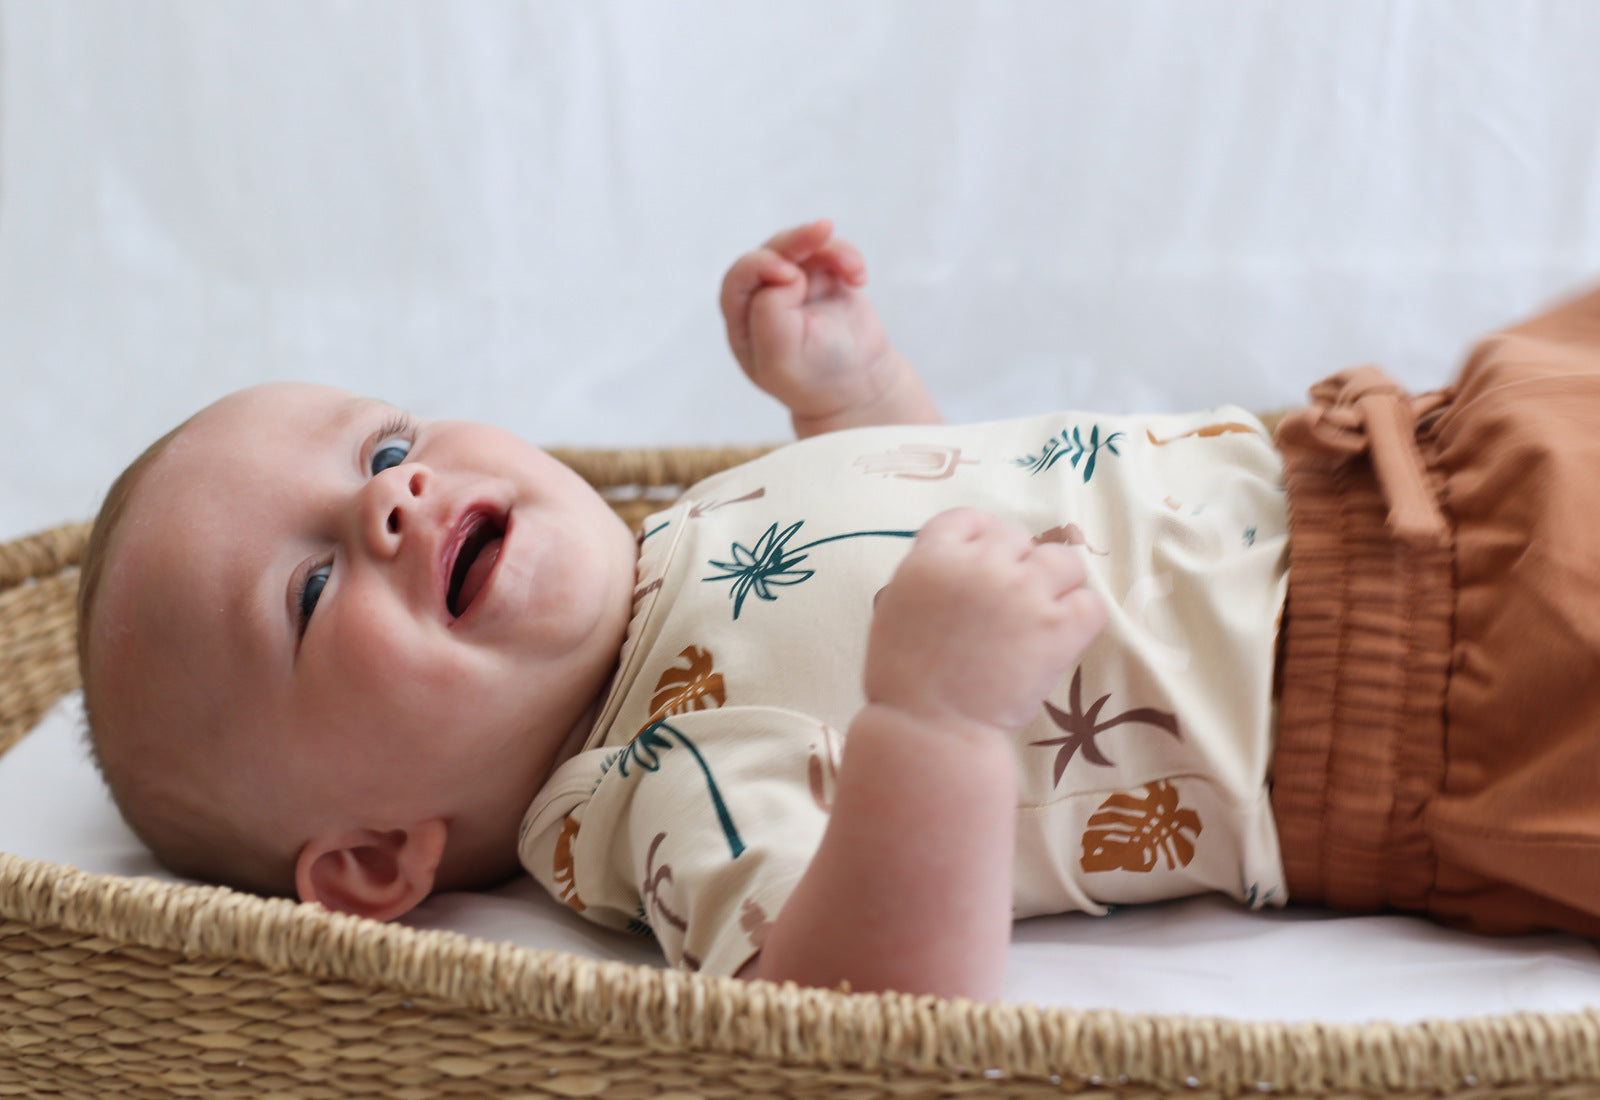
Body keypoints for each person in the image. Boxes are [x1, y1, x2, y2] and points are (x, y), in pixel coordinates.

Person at [75, 220, 1600, 1002]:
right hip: (1436, 692)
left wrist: (853, 398)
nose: (389, 499)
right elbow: (864, 1007)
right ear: (367, 858)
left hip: (1403, 456)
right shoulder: (651, 796)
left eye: (385, 446)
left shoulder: (678, 545)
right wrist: (931, 720)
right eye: (314, 586)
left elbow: (930, 530)